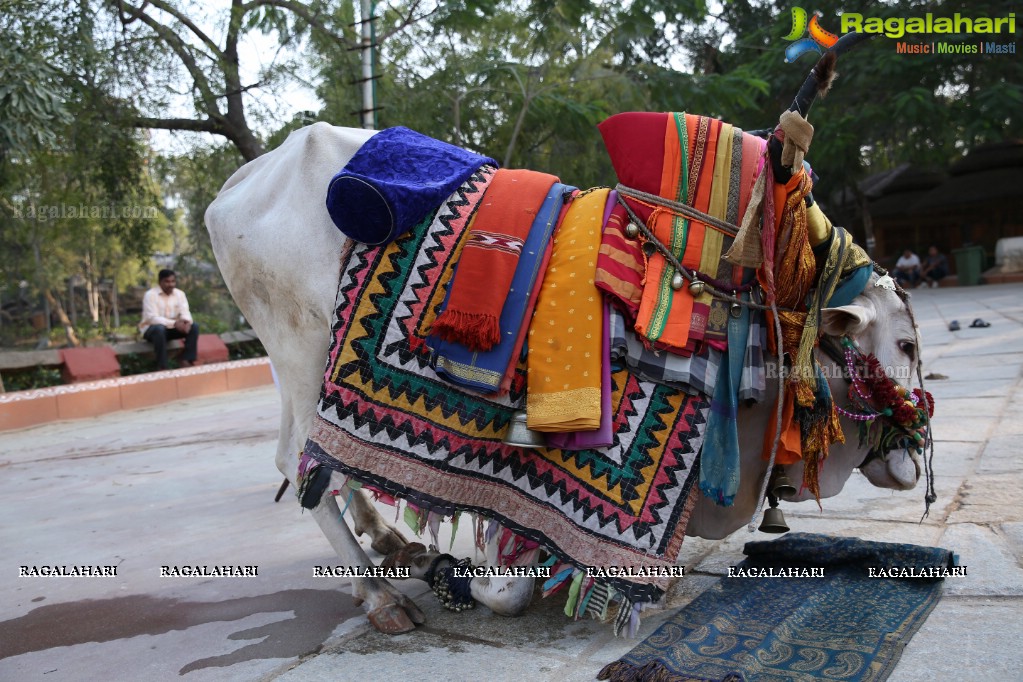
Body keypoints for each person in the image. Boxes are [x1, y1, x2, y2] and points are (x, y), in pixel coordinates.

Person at [139, 269, 199, 370]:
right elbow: (152, 318)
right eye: (167, 281)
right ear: (160, 282)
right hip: (151, 330)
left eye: (173, 281)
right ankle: (163, 366)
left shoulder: (180, 294)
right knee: (159, 329)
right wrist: (175, 323)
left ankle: (187, 360)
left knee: (194, 327)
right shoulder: (150, 295)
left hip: (171, 329)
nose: (170, 284)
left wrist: (186, 322)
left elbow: (185, 312)